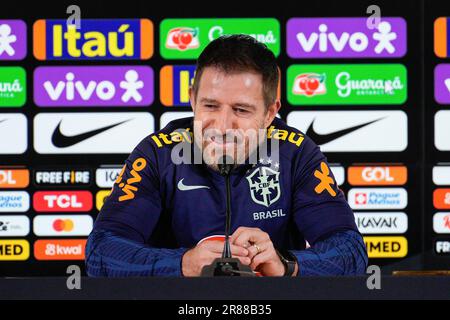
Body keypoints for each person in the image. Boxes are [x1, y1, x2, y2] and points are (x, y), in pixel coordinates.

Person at [85, 34, 368, 277]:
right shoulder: (157, 154)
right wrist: (182, 264)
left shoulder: (295, 153)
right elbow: (101, 251)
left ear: (270, 113)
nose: (222, 126)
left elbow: (350, 250)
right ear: (192, 99)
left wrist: (286, 264)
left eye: (241, 110)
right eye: (210, 105)